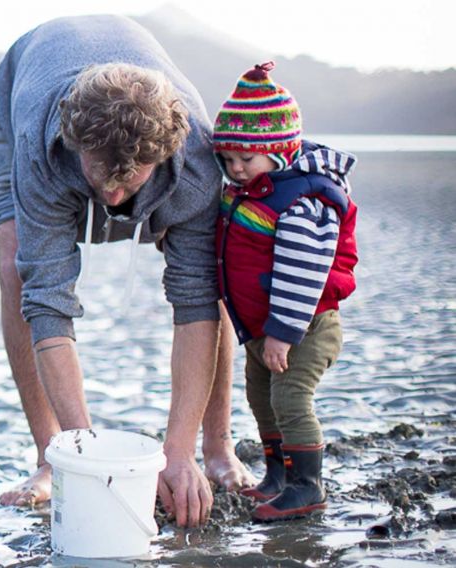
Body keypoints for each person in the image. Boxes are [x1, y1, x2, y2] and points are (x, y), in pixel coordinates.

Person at [0, 15, 256, 528]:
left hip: (157, 152)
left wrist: (177, 450)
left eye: (130, 185)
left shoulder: (193, 163)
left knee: (211, 276)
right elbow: (49, 304)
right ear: (73, 142)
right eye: (102, 180)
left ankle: (215, 446)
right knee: (17, 256)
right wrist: (87, 455)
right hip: (21, 95)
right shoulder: (43, 142)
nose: (114, 200)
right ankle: (50, 458)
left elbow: (194, 306)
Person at [211, 62, 358, 521]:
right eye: (228, 159)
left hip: (304, 326)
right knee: (261, 398)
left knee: (290, 398)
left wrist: (282, 332)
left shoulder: (301, 200)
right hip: (261, 327)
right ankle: (278, 475)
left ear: (278, 151)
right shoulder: (253, 188)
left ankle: (306, 486)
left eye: (245, 159)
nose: (235, 169)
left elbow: (303, 272)